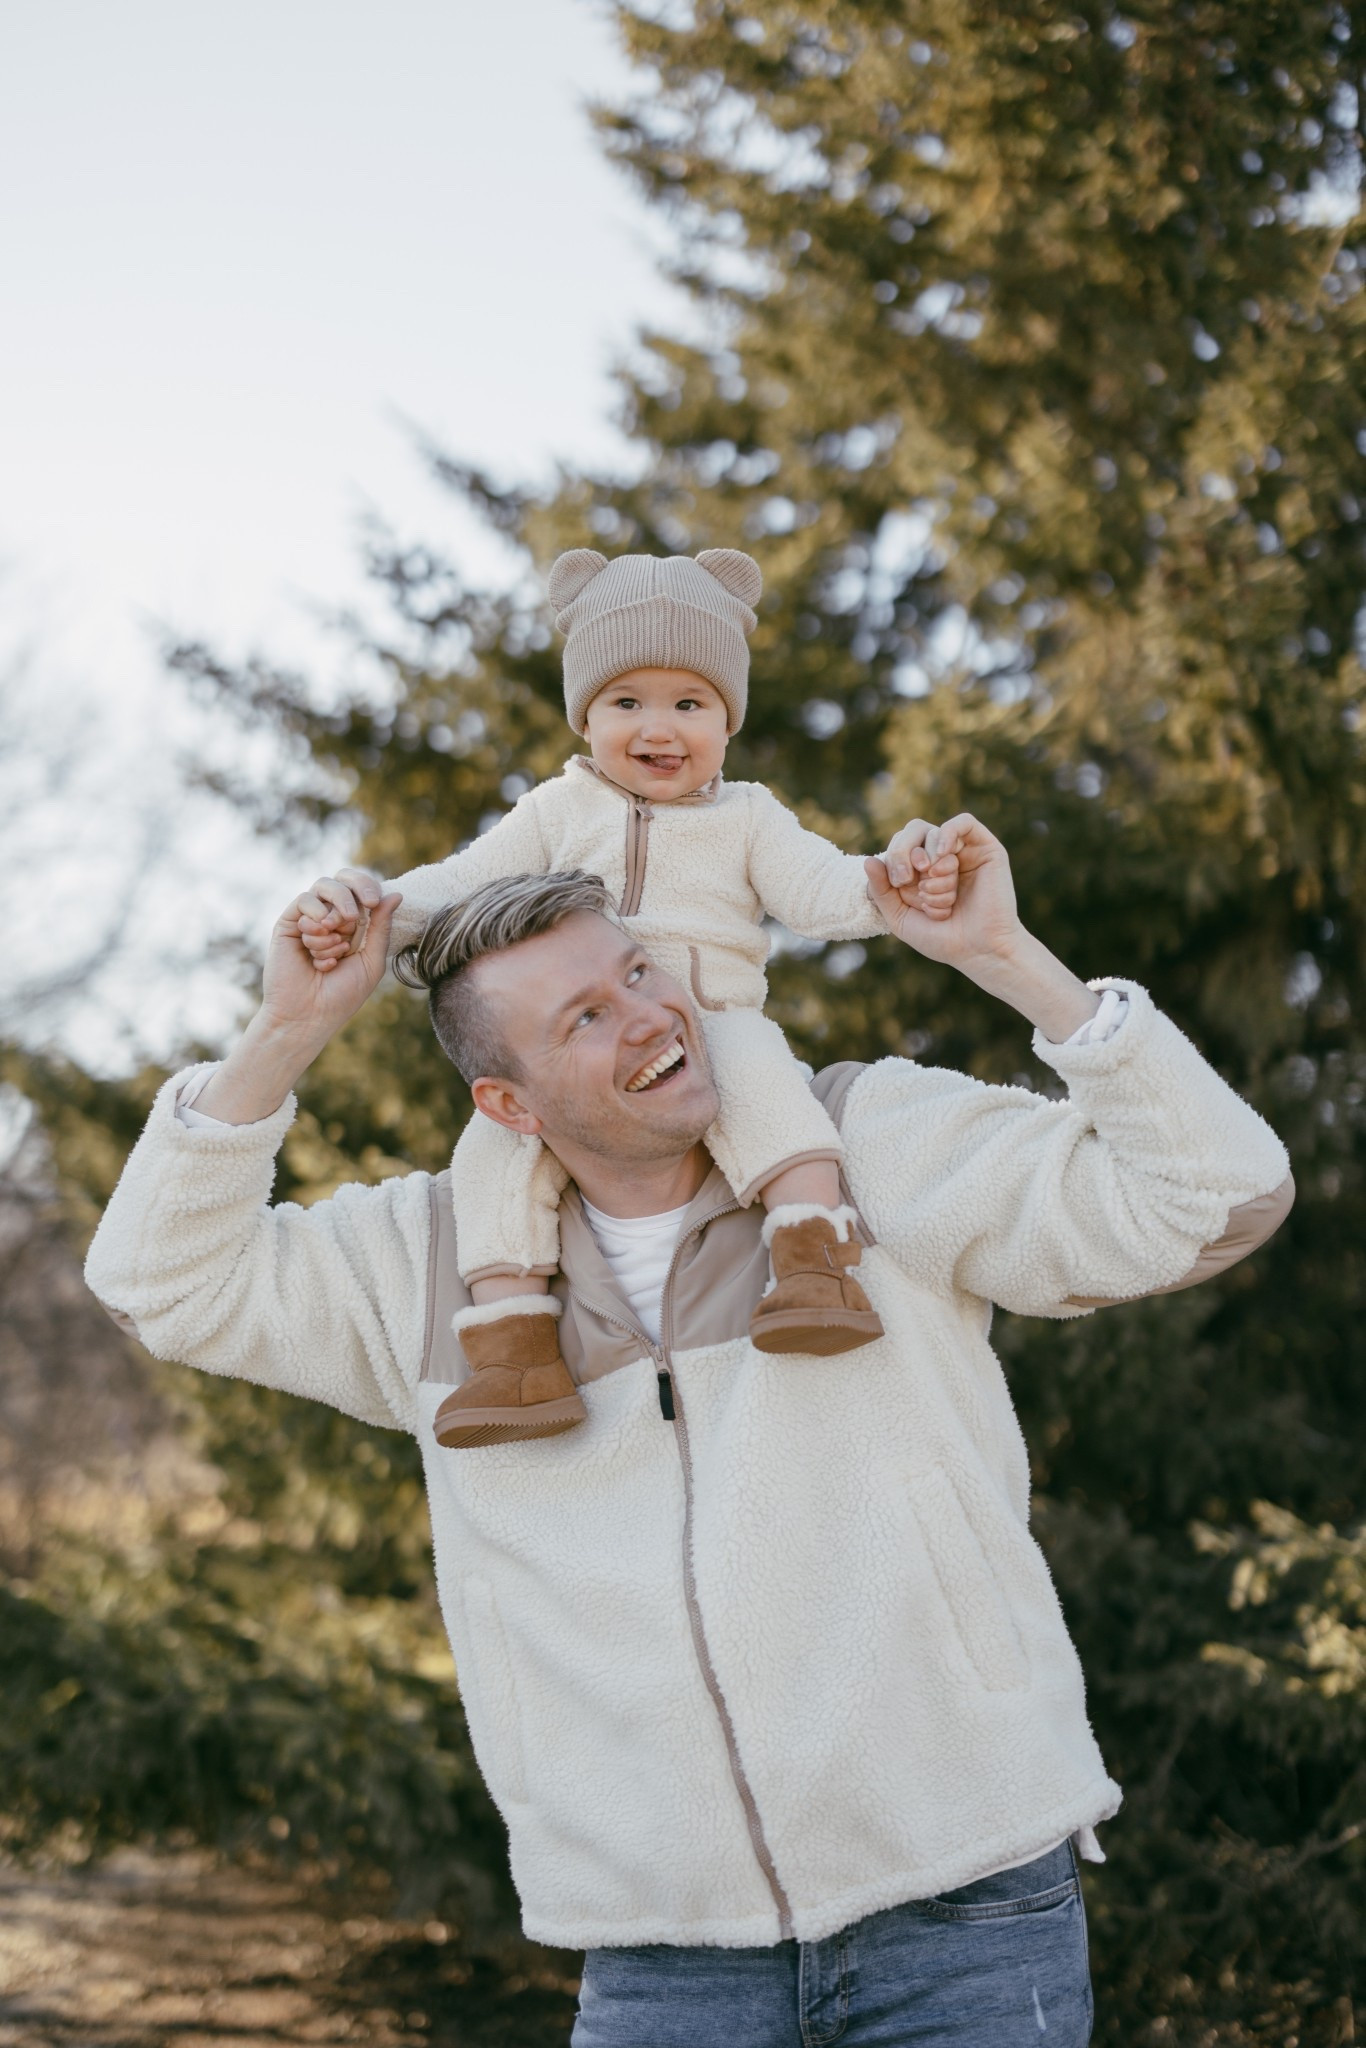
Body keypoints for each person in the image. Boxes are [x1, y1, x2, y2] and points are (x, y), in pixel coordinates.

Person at [85, 827, 1294, 2046]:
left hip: (968, 1907)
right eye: (584, 1019)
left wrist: (1008, 957)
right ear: (506, 1102)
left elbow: (1218, 1194)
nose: (650, 1017)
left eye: (639, 973)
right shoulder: (429, 1263)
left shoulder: (865, 1145)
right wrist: (284, 1033)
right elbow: (159, 1282)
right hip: (665, 1955)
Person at [294, 546, 963, 1449]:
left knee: (766, 1088)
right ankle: (513, 1344)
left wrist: (891, 884)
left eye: (689, 703)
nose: (659, 727)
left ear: (728, 721)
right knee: (497, 1152)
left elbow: (819, 889)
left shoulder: (749, 818)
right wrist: (373, 909)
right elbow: (459, 882)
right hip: (584, 1053)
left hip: (713, 1017)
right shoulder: (555, 812)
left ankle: (812, 1259)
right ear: (586, 717)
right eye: (626, 703)